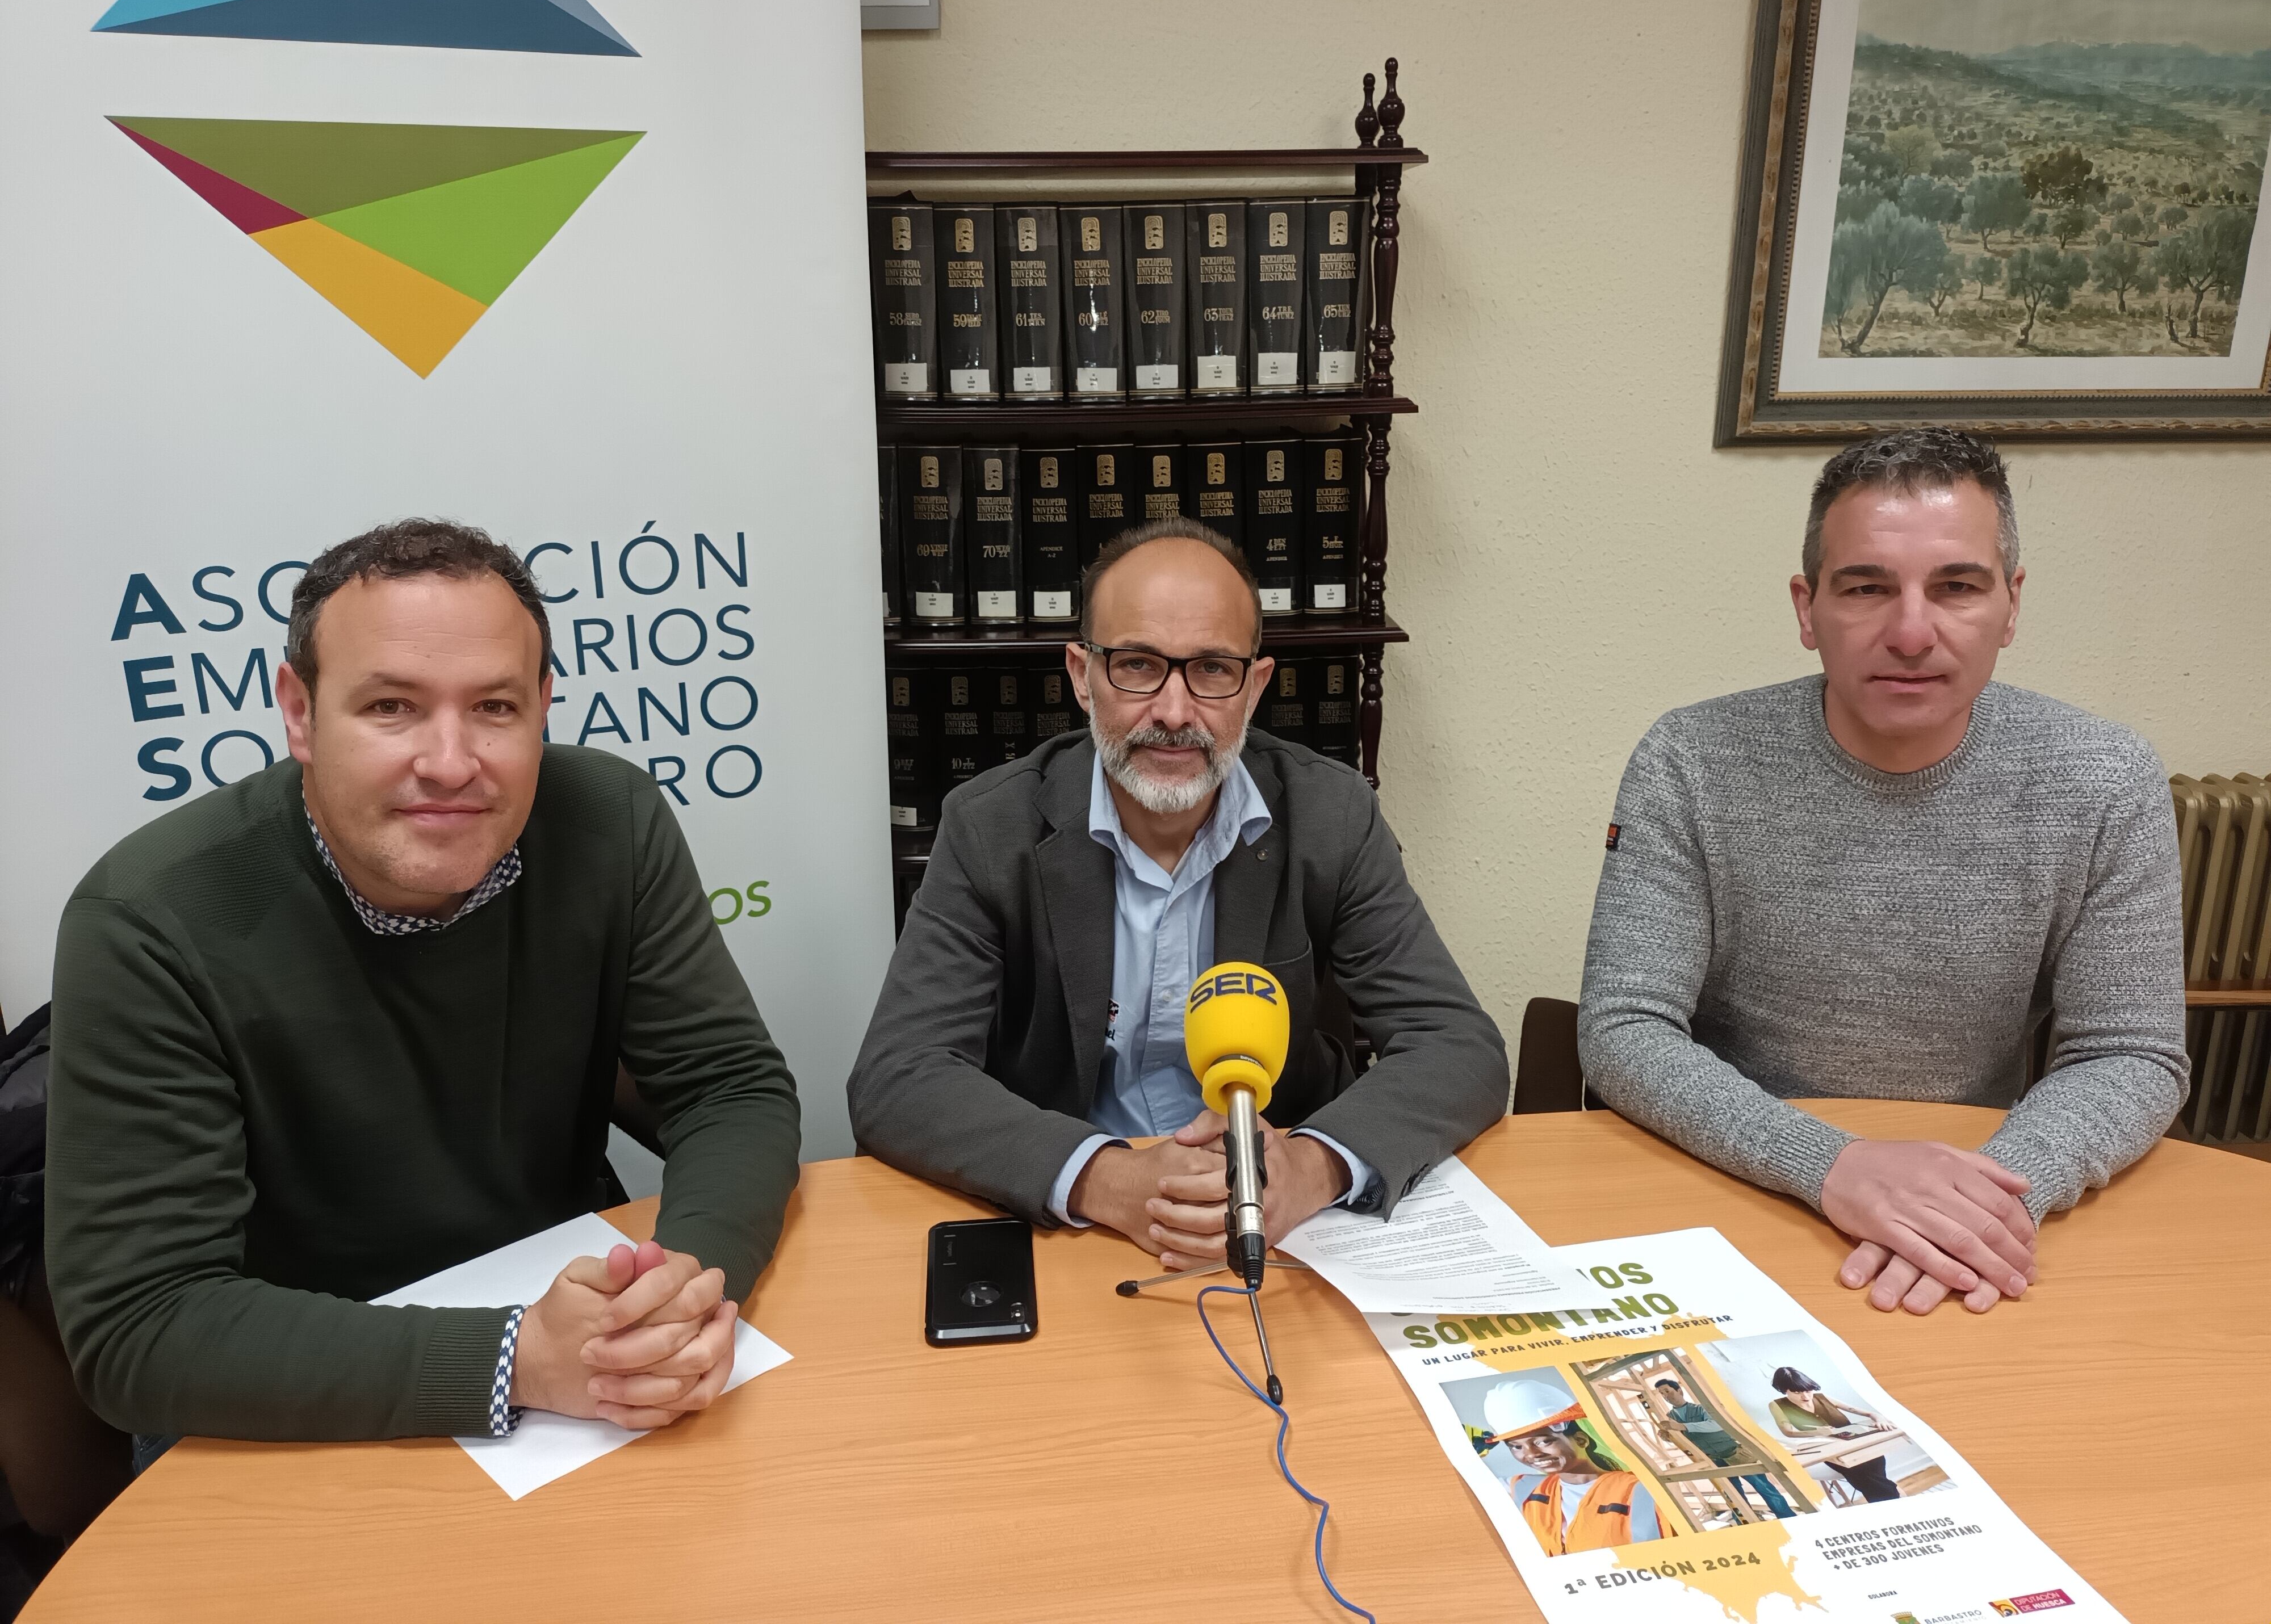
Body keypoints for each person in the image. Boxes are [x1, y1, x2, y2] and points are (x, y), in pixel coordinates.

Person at [45, 520, 800, 1455]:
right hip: (283, 1384)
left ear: (543, 708)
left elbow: (728, 1086)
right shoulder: (149, 917)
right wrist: (517, 1359)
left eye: (494, 708)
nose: (450, 763)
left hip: (571, 1340)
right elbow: (138, 1327)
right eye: (392, 707)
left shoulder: (611, 821)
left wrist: (679, 1290)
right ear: (299, 711)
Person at [1579, 427, 2186, 1317]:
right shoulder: (1691, 759)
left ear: (2011, 606)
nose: (1911, 632)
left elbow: (2130, 1053)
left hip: (1982, 1207)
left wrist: (1985, 1205)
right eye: (1867, 588)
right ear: (1807, 607)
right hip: (1736, 1184)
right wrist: (1830, 1166)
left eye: (1957, 588)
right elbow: (1625, 1027)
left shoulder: (2106, 779)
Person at [849, 519, 1507, 1264]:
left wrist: (1316, 1165)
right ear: (1081, 674)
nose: (1172, 712)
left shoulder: (1332, 816)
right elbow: (898, 1079)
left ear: (1253, 687)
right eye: (1136, 665)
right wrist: (1105, 1174)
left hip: (1281, 1227)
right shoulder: (990, 825)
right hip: (1076, 1232)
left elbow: (1459, 1046)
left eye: (1212, 671)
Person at [1482, 1377, 1663, 1554]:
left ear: (1581, 1439)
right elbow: (1467, 1483)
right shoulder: (1526, 1487)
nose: (1531, 1454)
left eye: (1544, 1441)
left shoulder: (1641, 1489)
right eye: (1516, 1447)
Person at [1649, 1375, 1794, 1520]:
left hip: (1734, 1453)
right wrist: (1668, 1437)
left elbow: (1716, 1424)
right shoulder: (1670, 1417)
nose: (1666, 1396)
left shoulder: (1701, 1409)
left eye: (1667, 1391)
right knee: (1734, 1496)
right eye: (1662, 1394)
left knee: (1764, 1488)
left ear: (1679, 1391)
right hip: (1713, 1460)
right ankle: (1747, 1523)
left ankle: (1788, 1517)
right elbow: (1682, 1440)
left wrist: (1682, 1426)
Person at [1767, 1367, 1900, 1504]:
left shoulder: (1823, 1398)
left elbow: (1866, 1413)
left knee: (1868, 1475)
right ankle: (1893, 1496)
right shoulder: (1777, 1405)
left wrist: (1879, 1418)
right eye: (1797, 1393)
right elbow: (1788, 1432)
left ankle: (1887, 1501)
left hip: (1860, 1443)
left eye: (1808, 1391)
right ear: (1784, 1390)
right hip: (1834, 1453)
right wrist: (1818, 1432)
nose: (1806, 1397)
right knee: (1863, 1476)